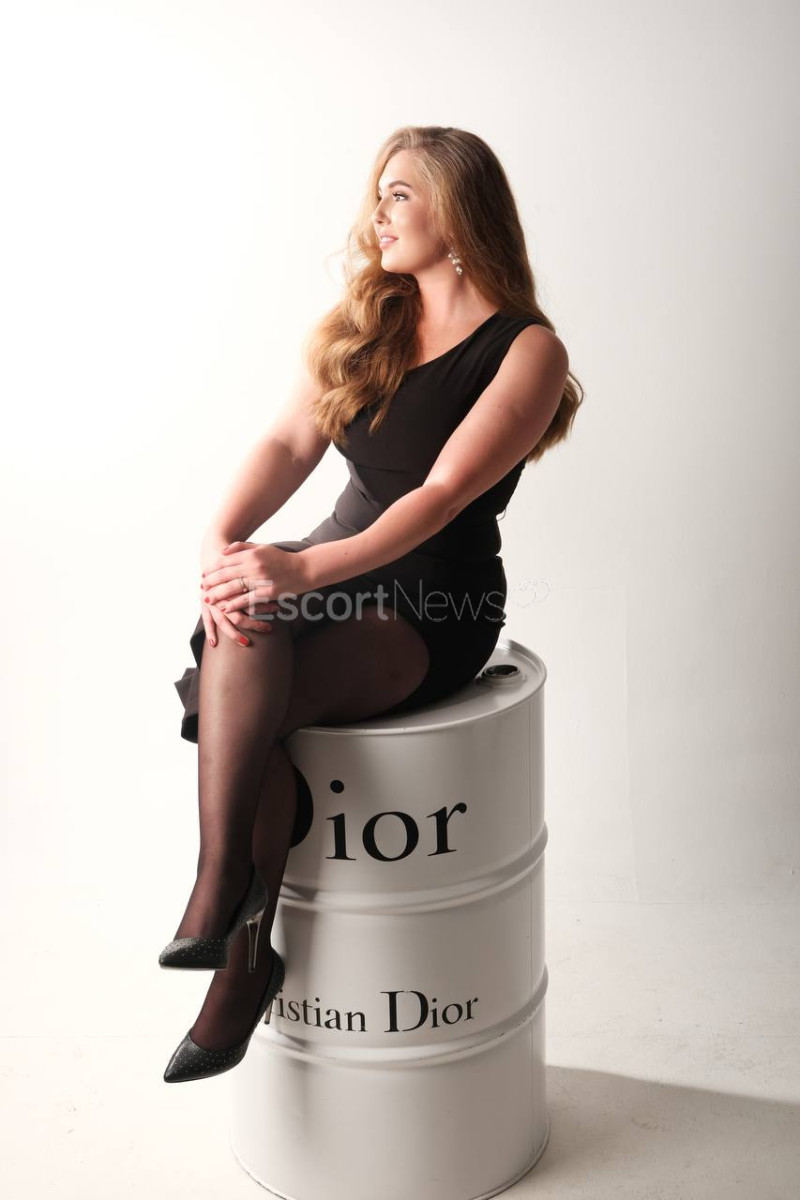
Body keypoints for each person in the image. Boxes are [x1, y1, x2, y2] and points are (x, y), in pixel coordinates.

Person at [160, 125, 583, 1083]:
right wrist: (220, 539)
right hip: (329, 562)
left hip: (432, 595)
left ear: (457, 214)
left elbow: (442, 496)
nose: (377, 215)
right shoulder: (369, 318)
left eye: (400, 194)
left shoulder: (528, 350)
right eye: (378, 194)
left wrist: (302, 572)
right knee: (246, 645)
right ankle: (231, 917)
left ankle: (227, 925)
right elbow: (287, 443)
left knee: (251, 675)